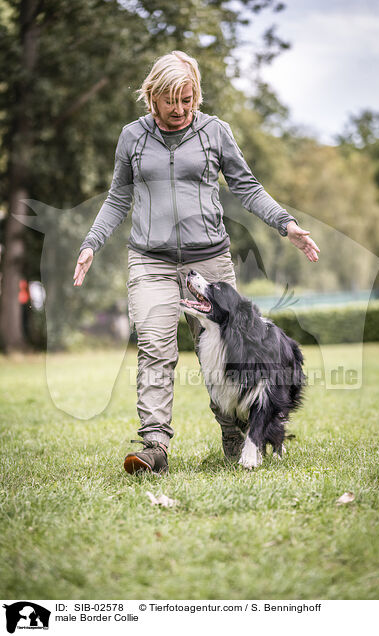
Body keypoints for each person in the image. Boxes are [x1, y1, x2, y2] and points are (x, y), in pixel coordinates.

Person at [73, 51, 320, 475]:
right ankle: (154, 445)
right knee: (154, 346)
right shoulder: (132, 137)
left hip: (209, 263)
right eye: (171, 100)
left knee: (227, 354)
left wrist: (287, 223)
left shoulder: (214, 132)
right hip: (150, 262)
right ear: (152, 96)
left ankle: (233, 429)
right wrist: (92, 242)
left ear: (196, 95)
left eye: (188, 99)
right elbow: (117, 198)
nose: (180, 109)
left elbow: (248, 186)